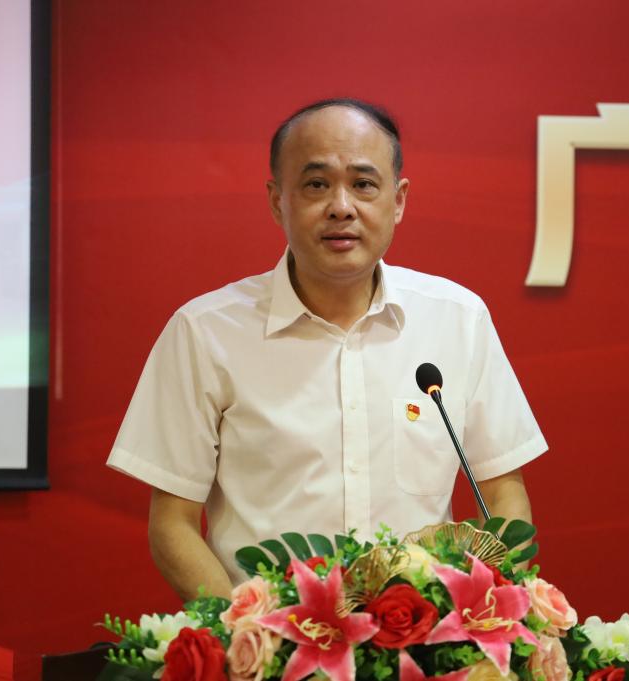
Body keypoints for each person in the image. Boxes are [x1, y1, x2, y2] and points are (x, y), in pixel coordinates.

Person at [107, 98, 548, 601]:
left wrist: (481, 611)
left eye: (363, 184)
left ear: (398, 200)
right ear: (278, 200)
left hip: (424, 637)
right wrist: (239, 631)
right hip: (269, 637)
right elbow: (173, 523)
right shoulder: (204, 332)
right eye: (316, 184)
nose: (341, 206)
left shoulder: (457, 319)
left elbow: (503, 492)